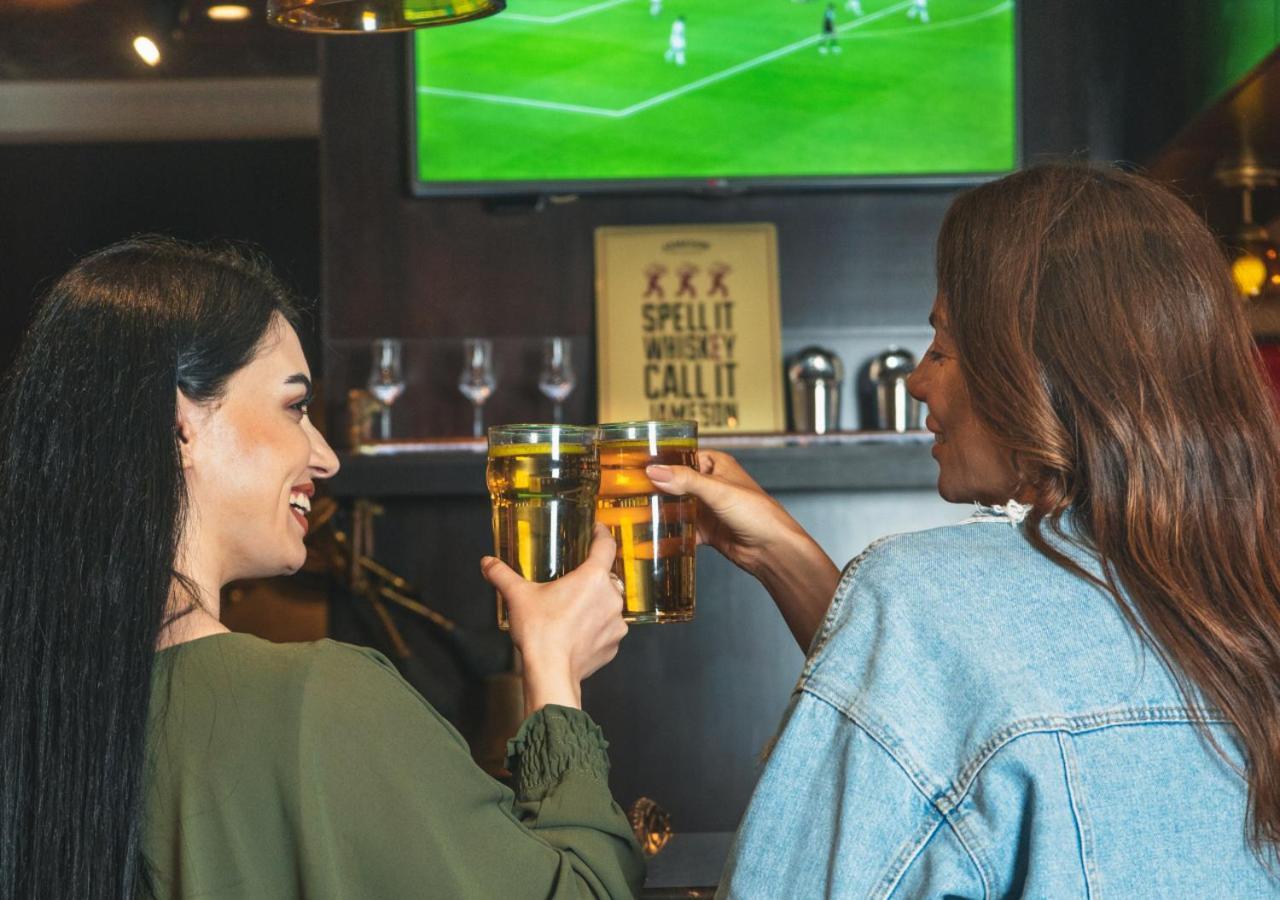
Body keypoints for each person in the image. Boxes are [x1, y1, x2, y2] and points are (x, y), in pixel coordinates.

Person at [648, 164, 1280, 895]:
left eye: (943, 348)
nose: (918, 380)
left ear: (1034, 373)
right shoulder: (1245, 599)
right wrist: (786, 558)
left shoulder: (920, 595)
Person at [0, 238, 643, 898]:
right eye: (295, 406)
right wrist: (556, 674)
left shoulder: (41, 717)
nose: (326, 457)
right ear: (181, 425)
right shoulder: (318, 702)